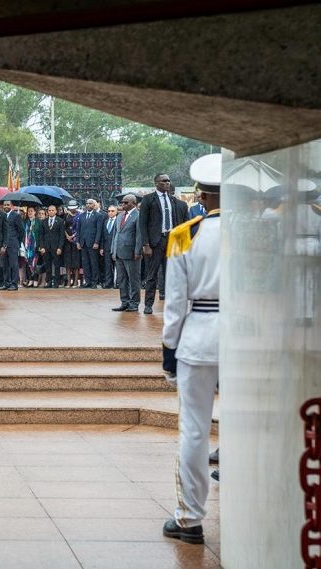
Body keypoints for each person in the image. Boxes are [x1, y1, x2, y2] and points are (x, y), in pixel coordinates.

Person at [162, 153, 222, 545]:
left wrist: (169, 350)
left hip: (199, 335)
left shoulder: (185, 234)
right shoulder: (262, 230)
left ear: (200, 194)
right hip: (252, 338)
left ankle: (189, 518)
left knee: (195, 431)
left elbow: (175, 303)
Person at [139, 173, 188, 314]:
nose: (167, 183)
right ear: (156, 183)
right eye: (164, 181)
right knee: (152, 275)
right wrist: (145, 244)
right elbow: (143, 223)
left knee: (172, 274)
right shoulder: (148, 200)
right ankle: (148, 305)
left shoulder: (174, 201)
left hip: (172, 241)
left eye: (168, 180)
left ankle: (172, 304)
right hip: (155, 242)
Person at [111, 194, 142, 312]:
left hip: (132, 253)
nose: (123, 204)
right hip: (119, 253)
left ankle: (134, 303)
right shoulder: (119, 216)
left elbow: (139, 236)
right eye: (122, 202)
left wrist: (137, 251)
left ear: (133, 203)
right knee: (121, 279)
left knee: (133, 279)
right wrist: (113, 250)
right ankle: (125, 302)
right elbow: (116, 234)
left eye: (126, 203)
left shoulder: (138, 216)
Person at [76, 198, 104, 288]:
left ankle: (94, 282)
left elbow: (99, 230)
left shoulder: (98, 215)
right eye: (87, 203)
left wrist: (96, 242)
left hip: (93, 244)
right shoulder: (82, 215)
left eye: (90, 203)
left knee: (94, 263)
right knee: (85, 264)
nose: (88, 205)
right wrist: (78, 242)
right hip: (83, 243)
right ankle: (87, 281)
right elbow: (78, 230)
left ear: (94, 205)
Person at [38, 205, 64, 288]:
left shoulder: (60, 221)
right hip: (46, 247)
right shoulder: (44, 221)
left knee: (56, 265)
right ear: (47, 212)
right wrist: (42, 247)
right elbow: (41, 236)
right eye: (49, 210)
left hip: (56, 247)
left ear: (56, 211)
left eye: (53, 210)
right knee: (47, 265)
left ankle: (56, 282)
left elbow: (61, 236)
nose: (51, 212)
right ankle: (48, 282)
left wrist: (60, 247)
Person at [100, 203, 119, 288]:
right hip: (106, 247)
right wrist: (101, 247)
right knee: (107, 266)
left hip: (116, 248)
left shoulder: (119, 221)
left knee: (118, 266)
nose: (110, 212)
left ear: (116, 212)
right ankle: (108, 283)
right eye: (109, 211)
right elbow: (103, 236)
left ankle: (118, 283)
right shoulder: (105, 222)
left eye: (112, 211)